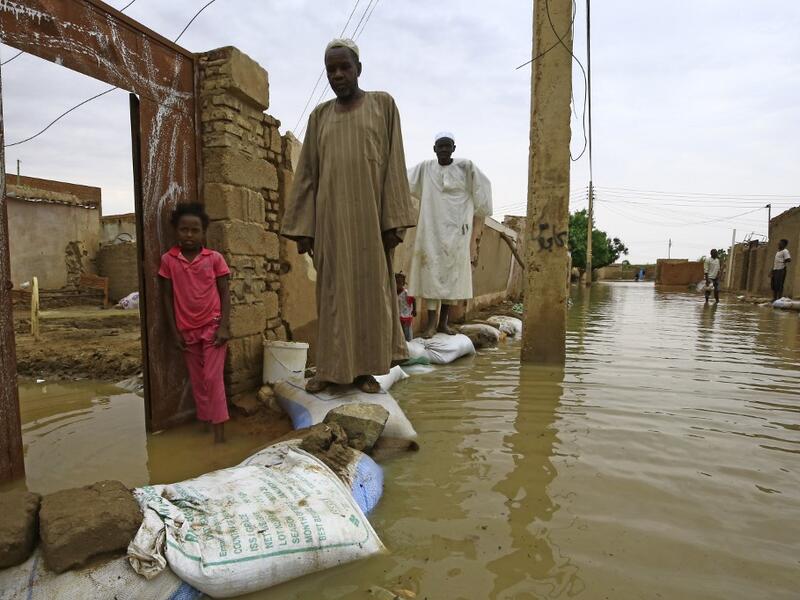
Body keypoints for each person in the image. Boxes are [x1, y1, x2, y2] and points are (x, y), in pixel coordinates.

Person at [281, 38, 416, 394]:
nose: (338, 75)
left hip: (371, 224)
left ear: (359, 68)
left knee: (371, 297)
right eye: (331, 69)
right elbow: (307, 174)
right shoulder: (319, 117)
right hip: (330, 225)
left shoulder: (383, 106)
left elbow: (394, 166)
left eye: (344, 67)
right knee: (333, 299)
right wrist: (304, 229)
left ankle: (367, 371)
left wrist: (393, 222)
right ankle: (329, 369)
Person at [407, 132, 492, 338]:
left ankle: (443, 323)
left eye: (448, 146)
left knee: (451, 278)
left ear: (454, 148)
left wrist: (480, 211)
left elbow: (483, 188)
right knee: (430, 275)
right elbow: (401, 177)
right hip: (431, 230)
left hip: (457, 231)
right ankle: (430, 324)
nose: (444, 150)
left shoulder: (466, 167)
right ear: (434, 149)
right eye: (440, 146)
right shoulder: (426, 168)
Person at [159, 203, 231, 443]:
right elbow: (167, 297)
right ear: (176, 231)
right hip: (186, 329)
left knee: (212, 378)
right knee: (198, 380)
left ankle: (220, 437)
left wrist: (224, 326)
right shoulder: (169, 260)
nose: (189, 235)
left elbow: (225, 293)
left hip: (213, 326)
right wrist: (174, 330)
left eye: (194, 230)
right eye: (184, 230)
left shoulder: (214, 259)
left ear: (203, 233)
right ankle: (204, 424)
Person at [395, 272, 416, 342]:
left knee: (407, 329)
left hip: (406, 314)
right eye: (396, 282)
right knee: (400, 329)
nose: (397, 285)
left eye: (399, 283)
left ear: (403, 284)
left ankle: (409, 342)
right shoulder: (394, 292)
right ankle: (402, 342)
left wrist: (414, 310)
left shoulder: (406, 292)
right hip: (399, 313)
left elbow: (413, 299)